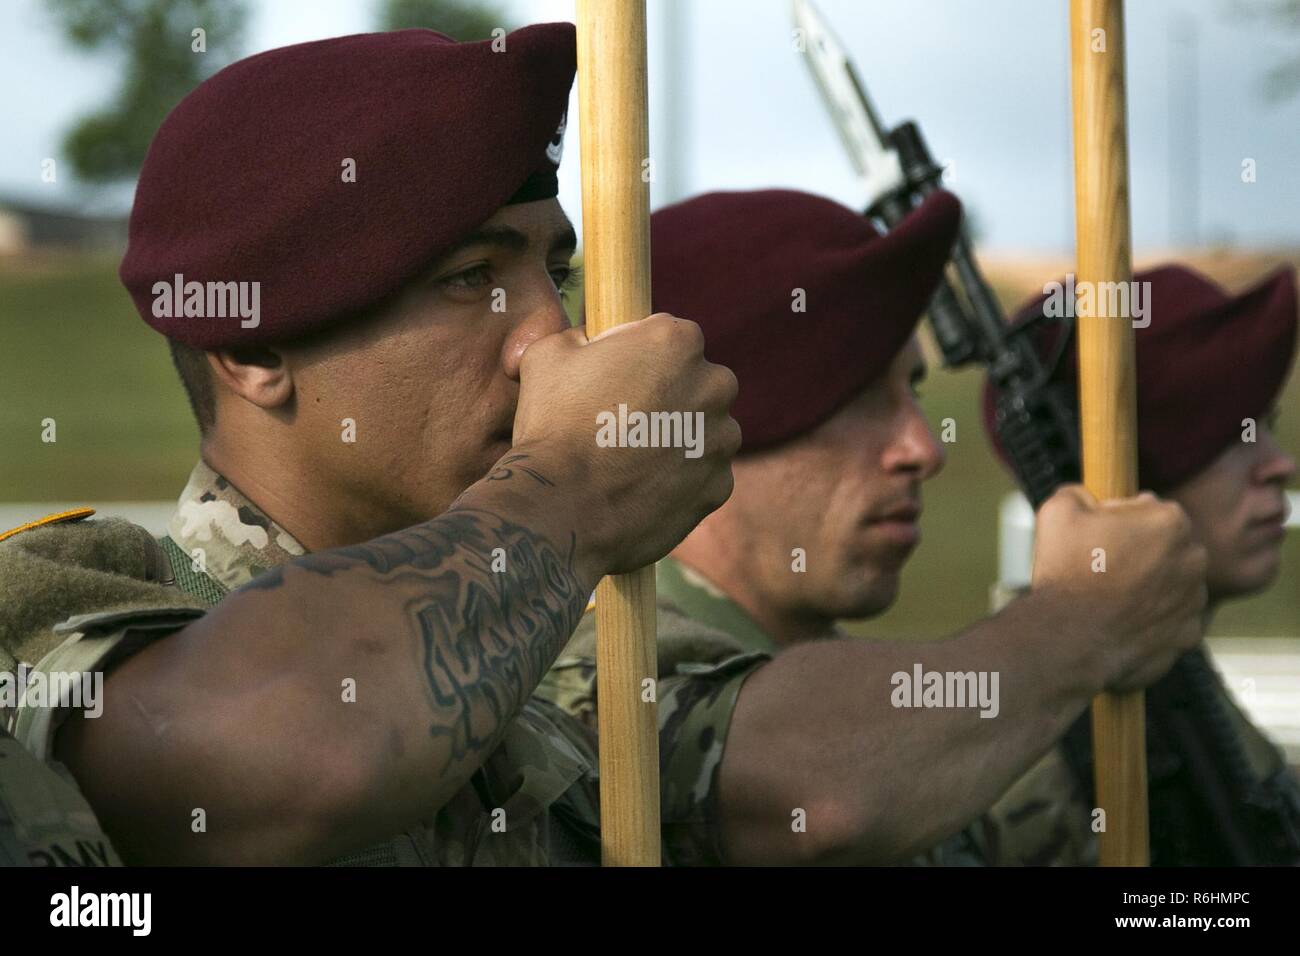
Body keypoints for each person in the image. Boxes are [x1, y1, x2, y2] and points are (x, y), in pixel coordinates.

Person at [1, 34, 1207, 867]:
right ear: (253, 344)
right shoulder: (75, 601)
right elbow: (278, 751)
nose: (551, 336)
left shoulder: (557, 705)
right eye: (472, 277)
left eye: (553, 269)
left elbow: (808, 789)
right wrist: (575, 488)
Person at [536, 189, 1212, 865]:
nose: (924, 448)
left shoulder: (906, 728)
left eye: (914, 391)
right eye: (861, 395)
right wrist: (1085, 621)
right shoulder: (606, 661)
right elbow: (812, 795)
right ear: (713, 432)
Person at [980, 263, 1300, 865]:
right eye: (1232, 436)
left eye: (1268, 428)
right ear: (1122, 477)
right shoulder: (1036, 768)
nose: (1279, 466)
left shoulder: (1174, 686)